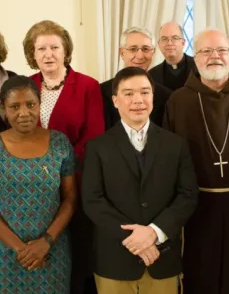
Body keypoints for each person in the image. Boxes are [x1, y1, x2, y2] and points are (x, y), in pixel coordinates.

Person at [163, 29, 229, 294]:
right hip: (198, 209)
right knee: (202, 276)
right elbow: (169, 164)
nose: (214, 57)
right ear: (195, 58)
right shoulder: (178, 100)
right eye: (206, 51)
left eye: (221, 50)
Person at [82, 67, 199, 294]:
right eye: (128, 93)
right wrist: (135, 238)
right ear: (115, 100)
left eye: (145, 92)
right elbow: (92, 200)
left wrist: (155, 232)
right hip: (114, 260)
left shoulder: (176, 144)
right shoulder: (97, 147)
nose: (138, 100)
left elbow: (188, 195)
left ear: (153, 97)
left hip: (162, 258)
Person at [0, 76, 77, 293]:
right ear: (4, 110)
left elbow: (70, 199)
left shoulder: (59, 142)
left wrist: (45, 242)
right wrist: (22, 249)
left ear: (39, 104)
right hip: (4, 255)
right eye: (14, 106)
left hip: (51, 251)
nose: (24, 113)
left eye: (30, 104)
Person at [23, 20, 104, 293]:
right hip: (33, 185)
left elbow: (94, 137)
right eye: (41, 48)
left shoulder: (88, 86)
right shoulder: (27, 86)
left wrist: (58, 166)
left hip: (76, 180)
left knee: (78, 255)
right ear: (32, 54)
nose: (48, 54)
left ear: (65, 50)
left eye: (54, 47)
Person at [101, 27, 172, 130]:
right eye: (133, 49)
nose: (139, 56)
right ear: (121, 53)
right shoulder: (101, 93)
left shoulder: (166, 96)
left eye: (146, 49)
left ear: (153, 52)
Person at [149, 21, 196, 91]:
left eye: (175, 38)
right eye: (164, 39)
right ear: (159, 44)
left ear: (183, 43)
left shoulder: (198, 67)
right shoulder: (151, 75)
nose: (169, 43)